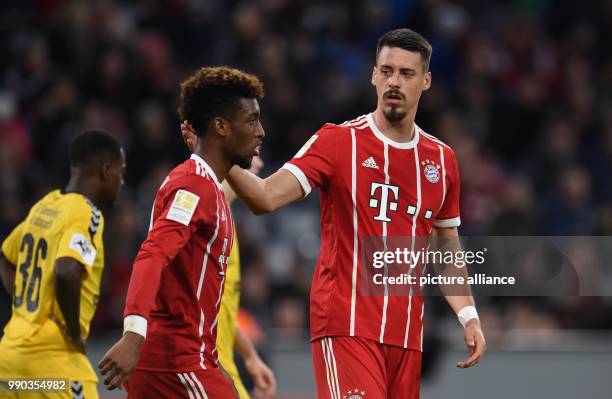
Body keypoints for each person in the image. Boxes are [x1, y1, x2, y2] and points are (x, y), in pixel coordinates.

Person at [186, 28, 487, 398]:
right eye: (387, 71)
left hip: (407, 337)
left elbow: (446, 248)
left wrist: (468, 316)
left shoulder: (442, 160)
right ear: (374, 75)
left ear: (425, 82)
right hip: (346, 326)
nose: (394, 82)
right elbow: (265, 198)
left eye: (406, 74)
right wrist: (219, 155)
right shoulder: (337, 141)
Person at [99, 66, 265, 399]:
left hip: (181, 358)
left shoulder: (207, 187)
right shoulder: (193, 186)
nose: (260, 131)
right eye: (251, 121)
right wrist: (133, 334)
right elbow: (152, 254)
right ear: (220, 126)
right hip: (176, 362)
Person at [0, 130, 126, 399]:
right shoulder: (86, 213)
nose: (122, 181)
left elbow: (6, 257)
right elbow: (66, 269)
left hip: (11, 364)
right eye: (120, 171)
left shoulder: (45, 207)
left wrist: (24, 305)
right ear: (106, 170)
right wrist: (72, 331)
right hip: (53, 365)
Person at [182, 133, 276, 399]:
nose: (260, 167)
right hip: (201, 370)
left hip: (223, 368)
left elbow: (220, 311)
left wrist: (250, 356)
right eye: (255, 157)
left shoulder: (227, 223)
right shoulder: (203, 214)